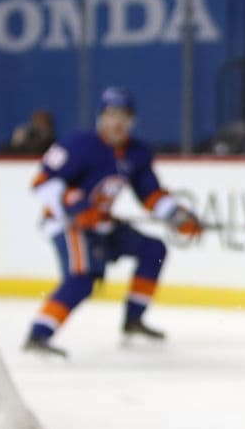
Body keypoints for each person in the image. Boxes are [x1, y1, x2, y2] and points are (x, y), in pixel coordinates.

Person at [23, 87, 203, 358]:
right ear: (100, 118)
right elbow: (41, 183)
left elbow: (150, 193)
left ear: (132, 120)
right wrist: (78, 206)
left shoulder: (136, 153)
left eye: (123, 115)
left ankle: (133, 320)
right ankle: (38, 334)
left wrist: (177, 216)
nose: (117, 122)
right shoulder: (78, 144)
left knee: (153, 250)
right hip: (68, 223)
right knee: (83, 278)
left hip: (102, 224)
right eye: (111, 115)